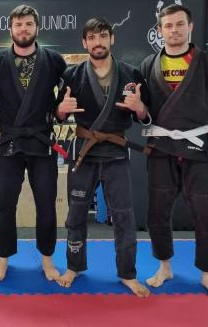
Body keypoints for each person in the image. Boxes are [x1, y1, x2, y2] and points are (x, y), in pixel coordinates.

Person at [140, 4, 208, 301]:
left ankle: (207, 274)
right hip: (163, 149)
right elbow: (143, 113)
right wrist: (137, 110)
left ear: (190, 26)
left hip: (198, 149)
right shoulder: (149, 64)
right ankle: (164, 266)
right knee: (157, 213)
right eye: (168, 25)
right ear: (160, 30)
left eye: (179, 24)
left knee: (206, 215)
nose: (174, 30)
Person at [56, 17, 151, 297]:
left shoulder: (131, 74)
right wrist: (61, 110)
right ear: (84, 43)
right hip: (84, 151)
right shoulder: (72, 75)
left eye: (102, 36)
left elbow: (146, 117)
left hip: (116, 153)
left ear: (112, 39)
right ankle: (74, 266)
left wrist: (140, 107)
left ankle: (127, 273)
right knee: (76, 214)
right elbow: (57, 114)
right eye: (92, 38)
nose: (97, 42)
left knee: (124, 216)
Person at [0, 5, 67, 282]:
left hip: (42, 141)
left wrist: (60, 111)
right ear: (10, 29)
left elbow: (67, 95)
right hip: (9, 141)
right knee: (4, 205)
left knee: (47, 205)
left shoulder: (54, 60)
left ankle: (47, 260)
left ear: (37, 27)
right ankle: (3, 259)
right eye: (18, 24)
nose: (23, 29)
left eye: (28, 24)